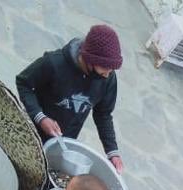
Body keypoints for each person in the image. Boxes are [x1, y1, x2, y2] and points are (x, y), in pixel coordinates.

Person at [17, 25, 125, 173]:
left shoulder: (108, 79)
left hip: (64, 141)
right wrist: (41, 117)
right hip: (30, 130)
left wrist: (112, 151)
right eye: (104, 70)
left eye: (110, 71)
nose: (107, 75)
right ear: (89, 59)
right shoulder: (53, 63)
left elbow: (103, 114)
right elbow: (24, 83)